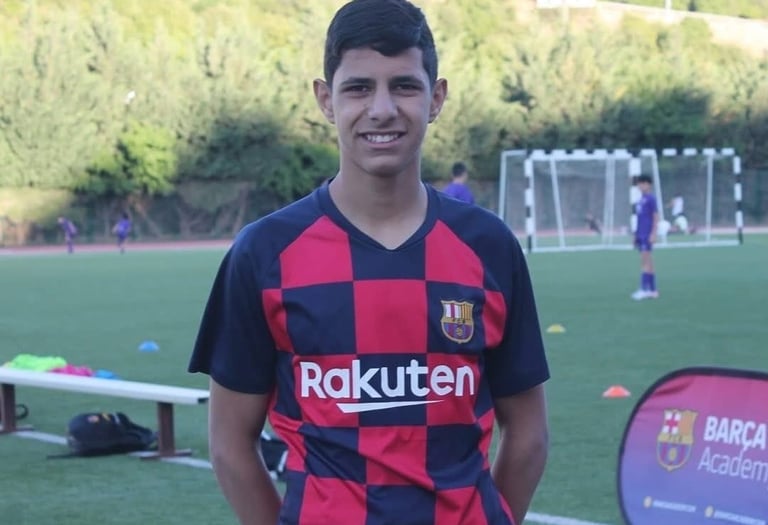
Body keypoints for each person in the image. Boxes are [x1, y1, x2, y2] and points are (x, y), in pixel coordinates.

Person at [188, 1, 550, 524]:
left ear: (436, 98)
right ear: (325, 99)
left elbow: (529, 433)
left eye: (404, 86)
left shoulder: (489, 246)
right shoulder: (263, 253)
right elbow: (229, 444)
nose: (382, 109)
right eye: (358, 88)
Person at [631, 174, 659, 300]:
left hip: (647, 234)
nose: (641, 186)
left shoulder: (651, 199)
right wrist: (636, 234)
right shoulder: (640, 200)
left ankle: (644, 289)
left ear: (649, 185)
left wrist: (653, 233)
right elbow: (639, 219)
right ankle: (653, 290)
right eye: (639, 183)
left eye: (643, 183)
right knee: (649, 262)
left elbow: (655, 217)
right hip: (641, 234)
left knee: (645, 262)